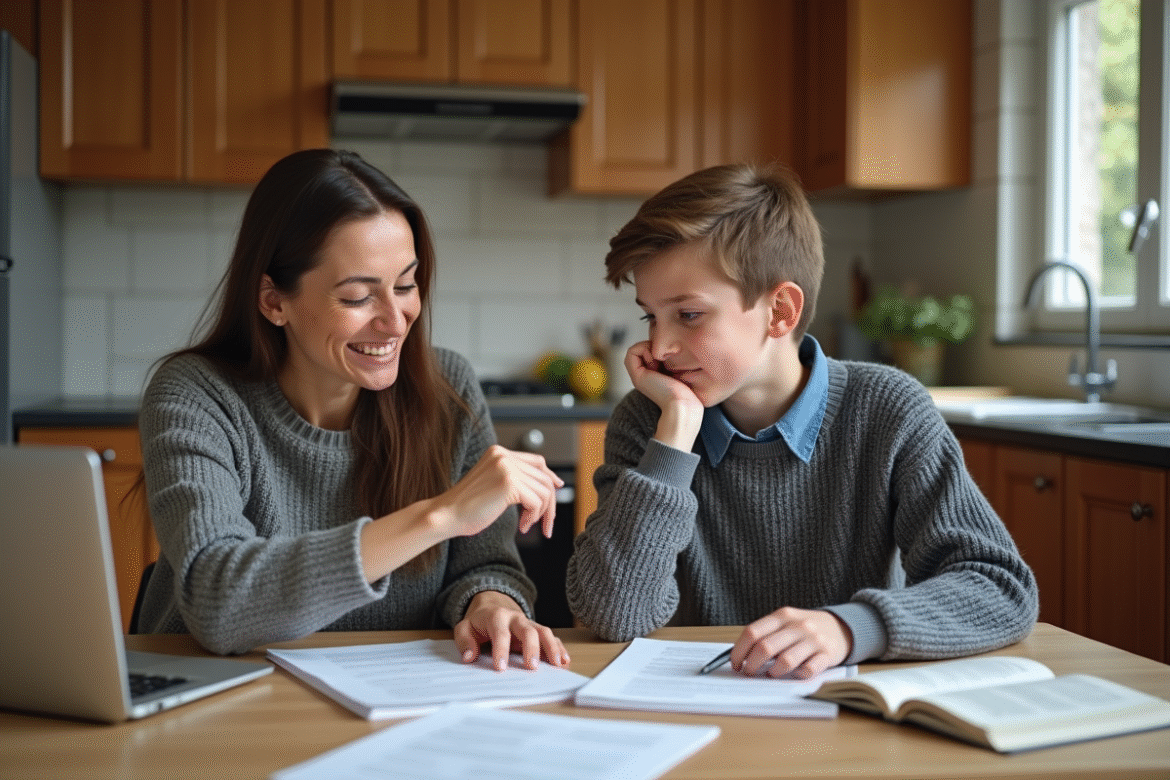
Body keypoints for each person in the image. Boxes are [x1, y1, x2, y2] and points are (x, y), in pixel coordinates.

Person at [565, 163, 1038, 679]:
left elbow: (1000, 588)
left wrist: (850, 628)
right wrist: (675, 433)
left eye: (689, 315)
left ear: (780, 311)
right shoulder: (649, 421)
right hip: (694, 707)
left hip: (846, 712)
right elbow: (613, 615)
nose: (658, 347)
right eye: (650, 316)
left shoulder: (888, 409)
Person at [136, 148, 569, 671]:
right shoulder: (197, 395)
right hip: (213, 696)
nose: (396, 321)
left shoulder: (447, 388)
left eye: (405, 286)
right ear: (274, 301)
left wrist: (492, 605)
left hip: (392, 696)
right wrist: (440, 515)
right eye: (359, 297)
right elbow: (219, 603)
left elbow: (486, 567)